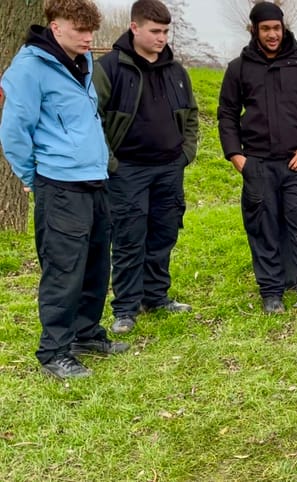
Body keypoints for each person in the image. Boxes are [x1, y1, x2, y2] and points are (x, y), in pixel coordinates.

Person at [0, 0, 129, 379]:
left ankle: (86, 334)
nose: (89, 37)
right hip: (59, 186)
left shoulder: (82, 62)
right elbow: (13, 132)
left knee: (95, 263)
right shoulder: (29, 69)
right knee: (64, 269)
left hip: (94, 180)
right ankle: (54, 350)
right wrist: (33, 177)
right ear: (56, 27)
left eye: (92, 29)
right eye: (80, 30)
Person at [217, 2, 297, 313]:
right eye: (265, 29)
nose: (272, 34)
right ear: (255, 30)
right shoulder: (239, 68)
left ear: (284, 29)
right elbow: (227, 114)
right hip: (257, 164)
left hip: (296, 162)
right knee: (263, 227)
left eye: (276, 28)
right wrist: (236, 156)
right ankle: (271, 292)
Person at [94, 0, 199, 334]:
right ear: (134, 27)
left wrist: (186, 153)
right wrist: (111, 163)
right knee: (128, 238)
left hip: (170, 168)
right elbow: (90, 118)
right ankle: (125, 308)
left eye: (166, 31)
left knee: (163, 235)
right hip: (127, 171)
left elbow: (192, 115)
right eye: (155, 31)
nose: (162, 38)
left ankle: (156, 296)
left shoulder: (177, 71)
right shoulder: (109, 68)